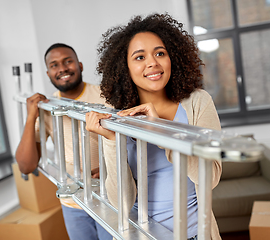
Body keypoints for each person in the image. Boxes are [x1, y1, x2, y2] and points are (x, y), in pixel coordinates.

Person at [85, 13, 222, 240]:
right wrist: (111, 141)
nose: (152, 62)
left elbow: (212, 177)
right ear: (124, 67)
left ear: (173, 58)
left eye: (160, 53)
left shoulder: (198, 102)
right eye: (139, 57)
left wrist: (160, 131)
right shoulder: (118, 117)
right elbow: (120, 202)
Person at [15, 43, 112, 240]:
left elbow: (132, 143)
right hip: (72, 202)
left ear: (80, 65)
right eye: (54, 65)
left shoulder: (106, 95)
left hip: (109, 198)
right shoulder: (48, 107)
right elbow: (26, 166)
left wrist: (112, 168)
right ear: (48, 73)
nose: (62, 69)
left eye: (68, 61)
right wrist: (31, 116)